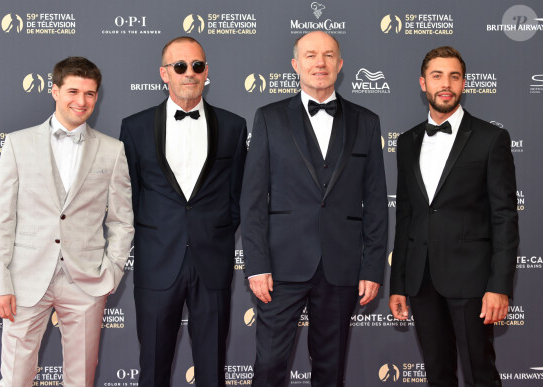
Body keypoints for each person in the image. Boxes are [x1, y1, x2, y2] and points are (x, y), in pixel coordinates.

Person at [241, 31, 388, 386]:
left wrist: (372, 267)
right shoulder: (269, 117)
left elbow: (377, 202)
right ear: (296, 65)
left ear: (340, 64)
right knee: (270, 364)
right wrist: (257, 264)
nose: (319, 63)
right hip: (280, 268)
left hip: (341, 267)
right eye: (310, 55)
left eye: (327, 55)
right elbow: (253, 199)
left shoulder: (366, 121)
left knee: (330, 368)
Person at [0, 56, 134, 387]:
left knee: (81, 379)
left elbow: (123, 221)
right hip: (25, 280)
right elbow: (1, 220)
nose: (81, 101)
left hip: (86, 281)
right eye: (73, 91)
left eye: (90, 94)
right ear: (54, 90)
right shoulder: (17, 144)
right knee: (14, 378)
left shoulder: (112, 151)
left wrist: (111, 272)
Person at [119, 36, 247, 386]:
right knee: (154, 369)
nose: (189, 73)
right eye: (180, 66)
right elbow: (128, 196)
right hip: (157, 266)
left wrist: (215, 233)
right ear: (164, 73)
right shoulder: (135, 127)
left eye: (197, 66)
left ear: (207, 71)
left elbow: (238, 197)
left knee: (212, 370)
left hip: (212, 264)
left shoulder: (234, 127)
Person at [389, 46, 519, 386]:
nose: (445, 84)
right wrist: (399, 284)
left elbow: (504, 216)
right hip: (421, 280)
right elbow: (405, 216)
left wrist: (499, 286)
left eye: (454, 76)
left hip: (473, 282)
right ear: (423, 83)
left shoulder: (492, 139)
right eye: (437, 76)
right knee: (437, 374)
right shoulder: (406, 142)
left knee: (480, 374)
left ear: (463, 84)